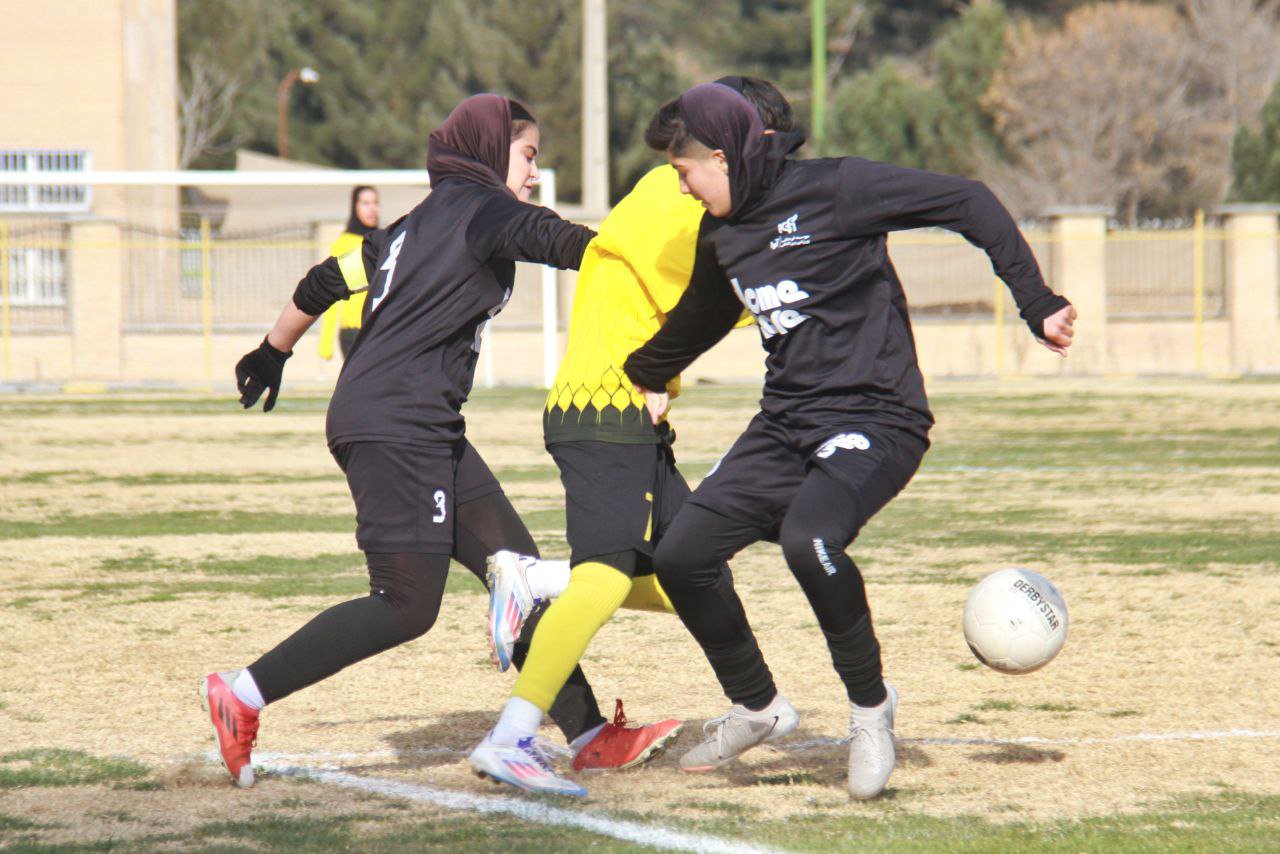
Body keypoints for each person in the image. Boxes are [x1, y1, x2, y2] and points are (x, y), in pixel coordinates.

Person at [621, 82, 1077, 799]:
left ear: (721, 156)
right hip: (785, 425)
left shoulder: (837, 189)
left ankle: (870, 710)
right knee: (682, 555)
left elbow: (969, 201)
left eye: (684, 172)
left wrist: (1037, 301)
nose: (681, 187)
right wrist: (642, 373)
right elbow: (700, 317)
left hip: (879, 417)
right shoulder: (722, 232)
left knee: (810, 540)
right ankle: (757, 705)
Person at [200, 94, 661, 795]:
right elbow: (568, 244)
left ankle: (590, 735)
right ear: (489, 150)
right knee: (406, 603)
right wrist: (655, 247)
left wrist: (273, 349)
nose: (534, 173)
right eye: (528, 155)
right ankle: (241, 694)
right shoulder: (485, 210)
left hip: (419, 421)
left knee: (517, 572)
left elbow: (328, 279)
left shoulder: (417, 223)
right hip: (398, 423)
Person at [476, 78, 798, 797]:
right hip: (605, 405)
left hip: (631, 413)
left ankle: (760, 705)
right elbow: (730, 287)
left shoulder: (678, 191)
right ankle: (510, 735)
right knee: (605, 574)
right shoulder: (679, 196)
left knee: (694, 572)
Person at [317, 185, 380, 361]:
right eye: (365, 203)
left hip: (380, 329)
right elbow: (332, 292)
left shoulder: (384, 240)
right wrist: (326, 340)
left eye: (375, 202)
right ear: (355, 207)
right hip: (354, 333)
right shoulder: (344, 244)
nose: (372, 208)